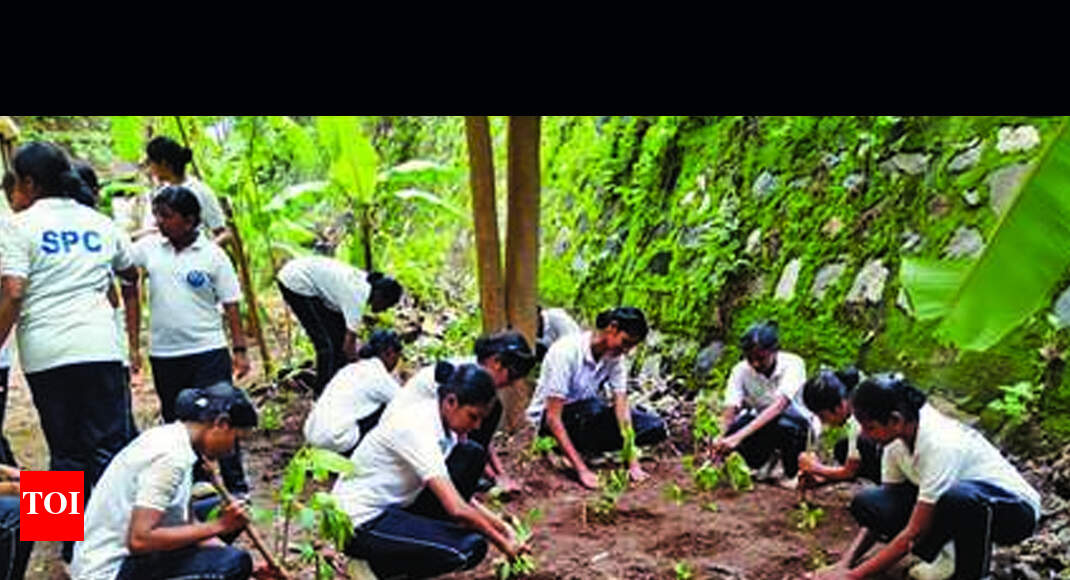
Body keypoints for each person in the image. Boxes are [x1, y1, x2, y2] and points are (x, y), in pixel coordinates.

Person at [0, 142, 140, 562]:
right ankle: (115, 543)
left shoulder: (18, 226)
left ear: (28, 183)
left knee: (62, 448)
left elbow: (14, 290)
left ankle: (66, 546)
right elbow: (130, 272)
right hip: (99, 346)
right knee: (109, 448)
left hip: (47, 352)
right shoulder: (98, 222)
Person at [810, 373, 1041, 580]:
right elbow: (888, 503)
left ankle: (969, 572)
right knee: (871, 503)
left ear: (895, 420)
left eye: (870, 428)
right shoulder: (896, 442)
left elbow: (915, 530)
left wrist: (853, 576)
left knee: (960, 498)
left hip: (1013, 511)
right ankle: (944, 553)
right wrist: (845, 563)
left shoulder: (940, 443)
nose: (866, 436)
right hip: (954, 504)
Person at [335, 362, 527, 579]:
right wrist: (503, 543)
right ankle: (374, 569)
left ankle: (386, 562)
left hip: (393, 510)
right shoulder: (418, 427)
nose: (477, 426)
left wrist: (502, 527)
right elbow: (456, 509)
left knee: (471, 455)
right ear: (451, 402)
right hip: (359, 522)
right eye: (473, 416)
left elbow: (459, 497)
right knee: (467, 548)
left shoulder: (445, 428)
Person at [130, 185, 251, 495]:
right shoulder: (149, 248)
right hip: (164, 353)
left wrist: (239, 349)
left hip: (206, 350)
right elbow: (123, 264)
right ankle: (193, 481)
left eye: (165, 216)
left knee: (220, 415)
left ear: (190, 219)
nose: (158, 222)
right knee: (178, 422)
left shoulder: (212, 255)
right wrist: (133, 346)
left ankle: (235, 487)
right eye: (156, 215)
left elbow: (231, 303)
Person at [71, 382, 260, 580]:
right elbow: (140, 539)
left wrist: (250, 573)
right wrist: (220, 526)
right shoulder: (171, 458)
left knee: (226, 519)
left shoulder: (175, 440)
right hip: (109, 570)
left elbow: (188, 522)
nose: (232, 450)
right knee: (233, 562)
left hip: (122, 554)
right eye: (235, 439)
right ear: (221, 424)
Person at [526, 306, 667, 490]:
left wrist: (632, 461)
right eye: (625, 342)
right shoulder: (566, 352)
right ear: (612, 328)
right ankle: (568, 454)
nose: (626, 351)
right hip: (553, 422)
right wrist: (582, 471)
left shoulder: (615, 359)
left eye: (631, 346)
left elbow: (621, 408)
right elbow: (553, 417)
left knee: (653, 426)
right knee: (594, 407)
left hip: (585, 420)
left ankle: (587, 451)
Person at [385, 330, 536, 493]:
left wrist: (501, 474)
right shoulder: (463, 380)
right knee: (471, 452)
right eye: (512, 376)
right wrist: (495, 477)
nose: (511, 384)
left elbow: (478, 436)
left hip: (421, 441)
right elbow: (464, 436)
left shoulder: (474, 378)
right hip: (407, 445)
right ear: (496, 362)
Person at [276, 256, 402, 397]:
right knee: (325, 346)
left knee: (337, 336)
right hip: (296, 281)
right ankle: (321, 394)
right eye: (387, 305)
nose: (385, 310)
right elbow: (348, 348)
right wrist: (364, 371)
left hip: (306, 276)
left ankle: (335, 382)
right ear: (380, 295)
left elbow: (344, 340)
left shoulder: (363, 286)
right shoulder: (357, 297)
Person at [709, 321, 811, 489]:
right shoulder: (740, 371)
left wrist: (737, 438)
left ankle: (791, 471)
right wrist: (722, 437)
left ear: (774, 351)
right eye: (750, 359)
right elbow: (731, 407)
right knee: (737, 426)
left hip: (794, 423)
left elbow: (779, 406)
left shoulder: (793, 364)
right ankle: (763, 462)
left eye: (761, 358)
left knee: (786, 425)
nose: (755, 364)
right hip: (762, 424)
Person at [303, 329, 403, 456]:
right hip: (336, 441)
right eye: (397, 357)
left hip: (314, 437)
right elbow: (406, 402)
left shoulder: (350, 369)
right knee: (391, 410)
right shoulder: (378, 376)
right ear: (389, 353)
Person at [797, 367, 882, 488]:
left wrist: (814, 468)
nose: (823, 422)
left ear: (839, 406)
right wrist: (821, 479)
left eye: (823, 416)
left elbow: (849, 471)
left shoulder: (859, 420)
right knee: (842, 448)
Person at [138, 136, 230, 246]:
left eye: (150, 162)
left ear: (163, 163)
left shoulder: (200, 191)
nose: (149, 168)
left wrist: (205, 255)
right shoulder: (158, 192)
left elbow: (223, 233)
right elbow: (154, 229)